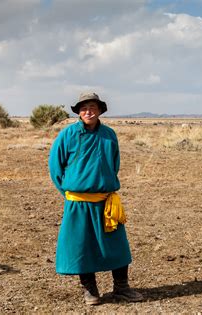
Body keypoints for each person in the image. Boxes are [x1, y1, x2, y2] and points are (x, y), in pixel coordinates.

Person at [48, 92, 143, 305]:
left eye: (92, 107)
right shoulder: (67, 135)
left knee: (117, 245)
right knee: (82, 246)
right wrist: (70, 193)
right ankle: (90, 290)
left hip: (105, 200)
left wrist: (104, 182)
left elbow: (114, 163)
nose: (88, 111)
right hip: (78, 202)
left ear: (100, 110)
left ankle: (121, 287)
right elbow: (55, 168)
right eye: (83, 108)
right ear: (79, 112)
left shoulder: (109, 135)